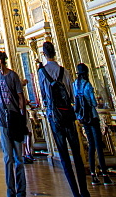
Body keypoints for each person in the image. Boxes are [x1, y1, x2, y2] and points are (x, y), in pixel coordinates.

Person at [38, 41, 90, 197]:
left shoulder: (42, 72)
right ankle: (84, 191)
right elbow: (71, 95)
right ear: (54, 53)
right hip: (68, 115)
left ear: (44, 54)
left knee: (64, 157)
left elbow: (43, 96)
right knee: (78, 156)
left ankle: (75, 192)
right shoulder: (65, 71)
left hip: (55, 118)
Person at [0, 51, 27, 197]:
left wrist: (22, 119)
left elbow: (21, 98)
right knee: (7, 158)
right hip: (3, 121)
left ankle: (21, 190)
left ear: (0, 61)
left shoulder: (13, 76)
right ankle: (10, 190)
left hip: (15, 120)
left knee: (18, 157)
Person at [73, 63, 113, 185]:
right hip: (92, 117)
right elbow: (93, 102)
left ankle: (93, 174)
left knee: (91, 145)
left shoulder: (75, 84)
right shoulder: (87, 85)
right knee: (98, 145)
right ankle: (105, 175)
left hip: (83, 118)